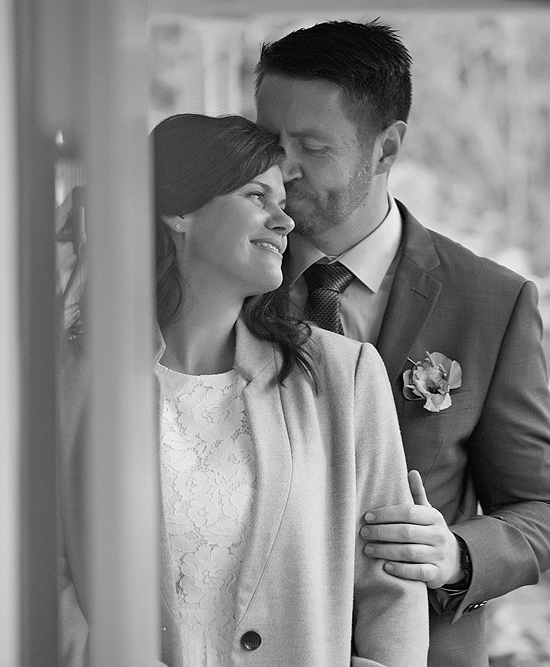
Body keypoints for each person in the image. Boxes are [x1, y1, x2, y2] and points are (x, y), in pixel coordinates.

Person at [57, 113, 428, 666]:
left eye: (283, 201)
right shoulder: (71, 378)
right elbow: (40, 568)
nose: (284, 222)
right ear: (177, 210)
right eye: (258, 196)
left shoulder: (342, 377)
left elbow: (391, 589)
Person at [254, 19, 550, 667]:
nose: (282, 167)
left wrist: (458, 553)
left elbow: (540, 505)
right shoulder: (224, 282)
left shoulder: (494, 301)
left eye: (310, 145)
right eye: (267, 139)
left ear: (386, 148)